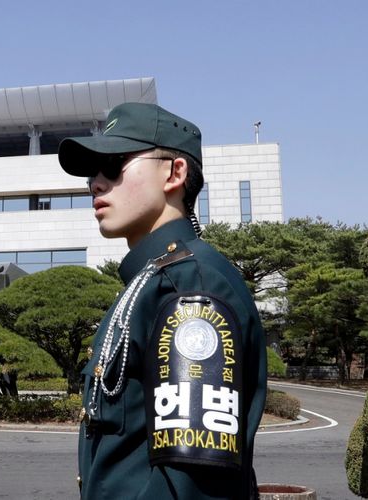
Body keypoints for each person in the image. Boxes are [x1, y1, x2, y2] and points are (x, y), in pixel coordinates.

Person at [58, 102, 267, 499]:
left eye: (114, 165)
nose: (96, 184)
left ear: (175, 172)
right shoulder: (151, 281)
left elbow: (191, 488)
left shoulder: (188, 287)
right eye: (92, 173)